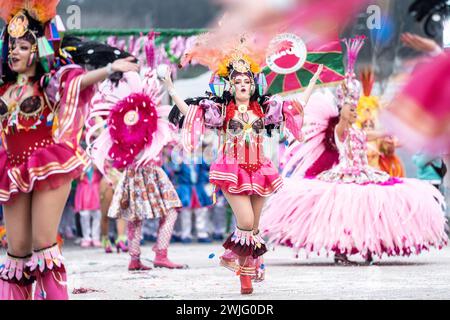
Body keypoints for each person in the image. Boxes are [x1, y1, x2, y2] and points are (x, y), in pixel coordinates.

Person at [260, 36, 448, 266]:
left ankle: (368, 248)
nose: (355, 111)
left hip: (364, 173)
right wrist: (346, 76)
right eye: (351, 108)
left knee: (370, 209)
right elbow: (342, 125)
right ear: (342, 111)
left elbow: (373, 133)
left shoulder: (357, 130)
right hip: (344, 175)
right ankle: (342, 250)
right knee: (347, 213)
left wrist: (395, 126)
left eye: (355, 107)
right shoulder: (340, 130)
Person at [0, 2, 139, 300]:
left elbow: (77, 81)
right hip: (12, 167)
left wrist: (110, 68)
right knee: (17, 252)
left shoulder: (48, 83)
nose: (14, 51)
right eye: (11, 45)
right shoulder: (3, 87)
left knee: (43, 243)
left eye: (23, 46)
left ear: (37, 50)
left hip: (49, 163)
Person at [162, 34, 321, 294]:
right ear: (231, 86)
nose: (243, 84)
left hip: (260, 169)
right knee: (245, 221)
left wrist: (313, 83)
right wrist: (170, 87)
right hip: (232, 168)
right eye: (238, 81)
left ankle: (245, 277)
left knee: (254, 228)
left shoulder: (264, 108)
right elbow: (191, 112)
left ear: (253, 84)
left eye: (247, 80)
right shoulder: (221, 111)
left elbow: (296, 107)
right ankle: (231, 256)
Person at [87, 70, 185, 271]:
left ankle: (135, 258)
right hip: (149, 172)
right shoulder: (148, 120)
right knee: (171, 210)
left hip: (131, 175)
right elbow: (168, 138)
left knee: (135, 217)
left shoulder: (119, 124)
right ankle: (160, 253)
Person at [74, 164, 102, 248]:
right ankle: (86, 237)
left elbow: (106, 173)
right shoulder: (80, 163)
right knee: (84, 215)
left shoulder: (98, 161)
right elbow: (75, 177)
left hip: (96, 191)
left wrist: (99, 167)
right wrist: (81, 172)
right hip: (84, 191)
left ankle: (95, 237)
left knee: (97, 215)